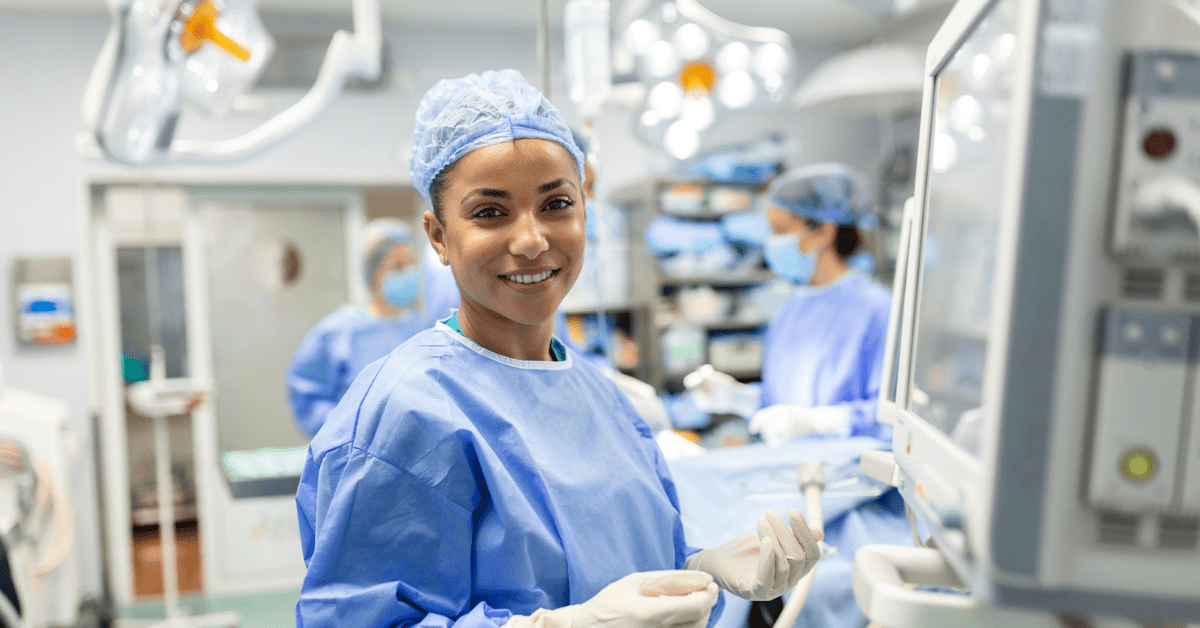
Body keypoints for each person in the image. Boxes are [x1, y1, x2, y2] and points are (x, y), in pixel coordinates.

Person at [295, 69, 822, 628]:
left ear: (583, 214)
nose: (531, 240)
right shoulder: (403, 415)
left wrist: (703, 567)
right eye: (490, 212)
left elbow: (619, 565)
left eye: (556, 204)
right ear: (438, 236)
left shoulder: (600, 395)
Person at [687, 163, 891, 445]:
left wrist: (818, 422)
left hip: (852, 479)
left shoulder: (878, 310)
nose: (772, 242)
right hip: (792, 470)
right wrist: (740, 399)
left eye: (781, 230)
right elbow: (784, 401)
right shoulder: (790, 309)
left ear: (823, 232)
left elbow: (891, 417)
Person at [284, 218, 437, 437]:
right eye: (397, 266)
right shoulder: (339, 331)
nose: (408, 272)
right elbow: (306, 395)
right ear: (373, 274)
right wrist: (343, 426)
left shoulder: (424, 329)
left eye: (412, 263)